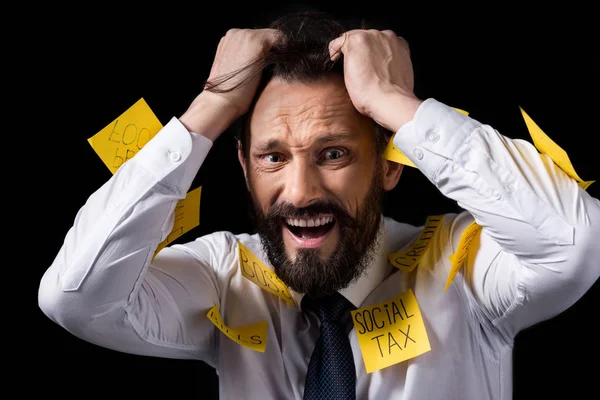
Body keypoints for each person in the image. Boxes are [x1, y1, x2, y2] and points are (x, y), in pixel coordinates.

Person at [38, 10, 599, 400]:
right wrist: (207, 111)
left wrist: (395, 103)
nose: (301, 191)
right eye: (273, 158)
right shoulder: (223, 276)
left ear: (390, 164)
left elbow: (576, 245)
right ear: (243, 167)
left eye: (333, 153)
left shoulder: (469, 271)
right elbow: (74, 297)